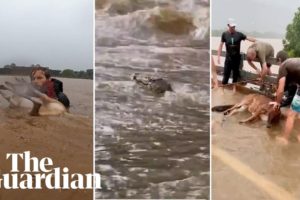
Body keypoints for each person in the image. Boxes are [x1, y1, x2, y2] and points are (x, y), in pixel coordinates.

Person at [217, 18, 256, 92]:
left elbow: (248, 38)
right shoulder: (224, 34)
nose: (233, 28)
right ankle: (222, 90)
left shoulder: (239, 34)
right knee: (226, 76)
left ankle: (234, 90)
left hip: (236, 59)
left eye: (234, 26)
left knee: (235, 75)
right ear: (228, 25)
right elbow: (221, 45)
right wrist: (218, 57)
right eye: (231, 27)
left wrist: (256, 41)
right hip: (228, 59)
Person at [271, 57, 300, 145]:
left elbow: (280, 90)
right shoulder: (294, 62)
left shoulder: (283, 66)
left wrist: (277, 102)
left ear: (279, 61)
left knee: (292, 114)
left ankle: (285, 139)